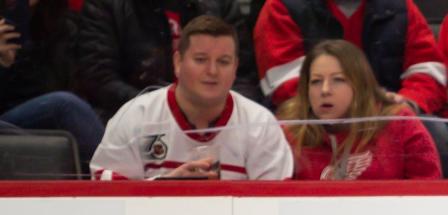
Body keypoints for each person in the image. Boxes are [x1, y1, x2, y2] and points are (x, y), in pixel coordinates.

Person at [90, 15, 293, 180]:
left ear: (235, 68)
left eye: (223, 61)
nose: (212, 71)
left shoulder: (260, 124)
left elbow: (275, 209)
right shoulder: (136, 116)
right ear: (178, 62)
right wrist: (166, 189)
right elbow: (106, 195)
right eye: (201, 60)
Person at [278, 39, 441, 180]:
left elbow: (427, 190)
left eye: (338, 80)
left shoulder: (398, 123)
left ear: (360, 85)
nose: (325, 90)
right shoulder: (289, 131)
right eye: (316, 81)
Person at [254, 0, 447, 116]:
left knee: (435, 132)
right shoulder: (281, 6)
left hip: (389, 115)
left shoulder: (401, 6)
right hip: (313, 117)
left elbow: (426, 69)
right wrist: (361, 105)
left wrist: (408, 101)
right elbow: (285, 84)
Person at [75, 0, 260, 121]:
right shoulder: (106, 5)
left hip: (215, 118)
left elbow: (243, 75)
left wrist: (222, 113)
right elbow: (100, 80)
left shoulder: (222, 5)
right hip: (133, 119)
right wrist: (167, 109)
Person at [0, 1, 104, 170]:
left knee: (67, 107)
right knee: (64, 104)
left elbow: (78, 83)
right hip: (6, 116)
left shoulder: (65, 25)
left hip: (42, 111)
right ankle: (114, 175)